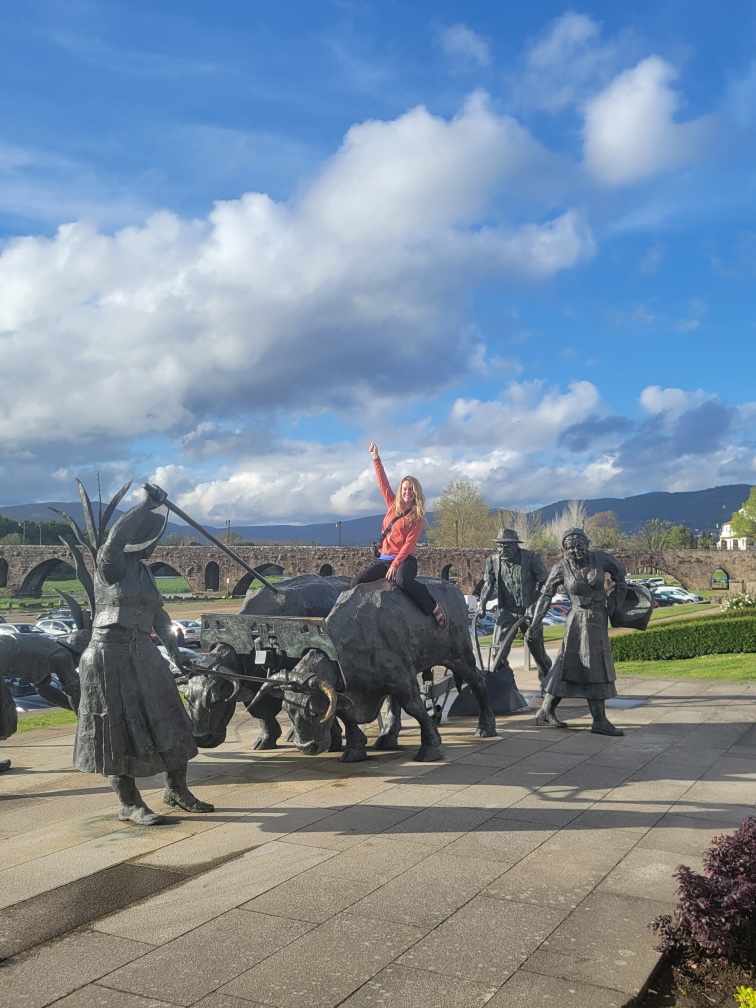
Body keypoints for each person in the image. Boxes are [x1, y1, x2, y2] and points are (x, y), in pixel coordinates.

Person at [74, 485, 214, 825]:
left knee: (172, 719)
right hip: (108, 656)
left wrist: (175, 652)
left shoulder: (145, 572)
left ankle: (176, 790)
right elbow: (114, 540)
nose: (154, 546)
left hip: (144, 653)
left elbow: (159, 616)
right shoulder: (111, 565)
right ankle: (129, 803)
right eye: (151, 540)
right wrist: (146, 505)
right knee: (115, 730)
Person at [528, 527, 627, 737]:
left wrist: (616, 605)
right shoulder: (561, 567)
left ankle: (546, 711)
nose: (575, 551)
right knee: (576, 666)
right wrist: (534, 624)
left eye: (579, 546)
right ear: (564, 550)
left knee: (585, 665)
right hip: (576, 620)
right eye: (570, 548)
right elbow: (545, 595)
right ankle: (599, 721)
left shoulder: (601, 559)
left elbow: (620, 576)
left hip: (598, 618)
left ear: (587, 544)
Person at [351, 443, 446, 628]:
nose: (407, 492)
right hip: (384, 559)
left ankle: (433, 606)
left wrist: (395, 564)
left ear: (416, 492)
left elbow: (409, 543)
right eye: (404, 489)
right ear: (401, 491)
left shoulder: (417, 516)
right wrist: (376, 458)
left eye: (411, 489)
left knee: (402, 581)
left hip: (405, 560)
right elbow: (382, 482)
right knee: (357, 581)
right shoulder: (392, 505)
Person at [477, 529, 550, 681]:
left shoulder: (531, 558)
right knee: (498, 651)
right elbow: (488, 584)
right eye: (500, 546)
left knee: (538, 652)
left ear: (516, 546)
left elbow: (545, 584)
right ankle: (506, 684)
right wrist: (482, 604)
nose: (503, 550)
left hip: (528, 612)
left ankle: (547, 682)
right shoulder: (493, 560)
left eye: (507, 546)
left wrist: (535, 605)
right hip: (507, 611)